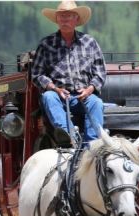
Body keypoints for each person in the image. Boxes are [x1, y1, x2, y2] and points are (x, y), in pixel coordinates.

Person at [31, 0, 106, 146]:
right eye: (61, 16)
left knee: (96, 103)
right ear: (57, 20)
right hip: (58, 96)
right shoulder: (46, 44)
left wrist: (89, 90)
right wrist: (55, 88)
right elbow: (37, 74)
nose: (64, 20)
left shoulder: (89, 42)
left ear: (76, 19)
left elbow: (100, 72)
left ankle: (92, 145)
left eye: (68, 16)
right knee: (48, 97)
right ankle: (69, 138)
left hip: (83, 96)